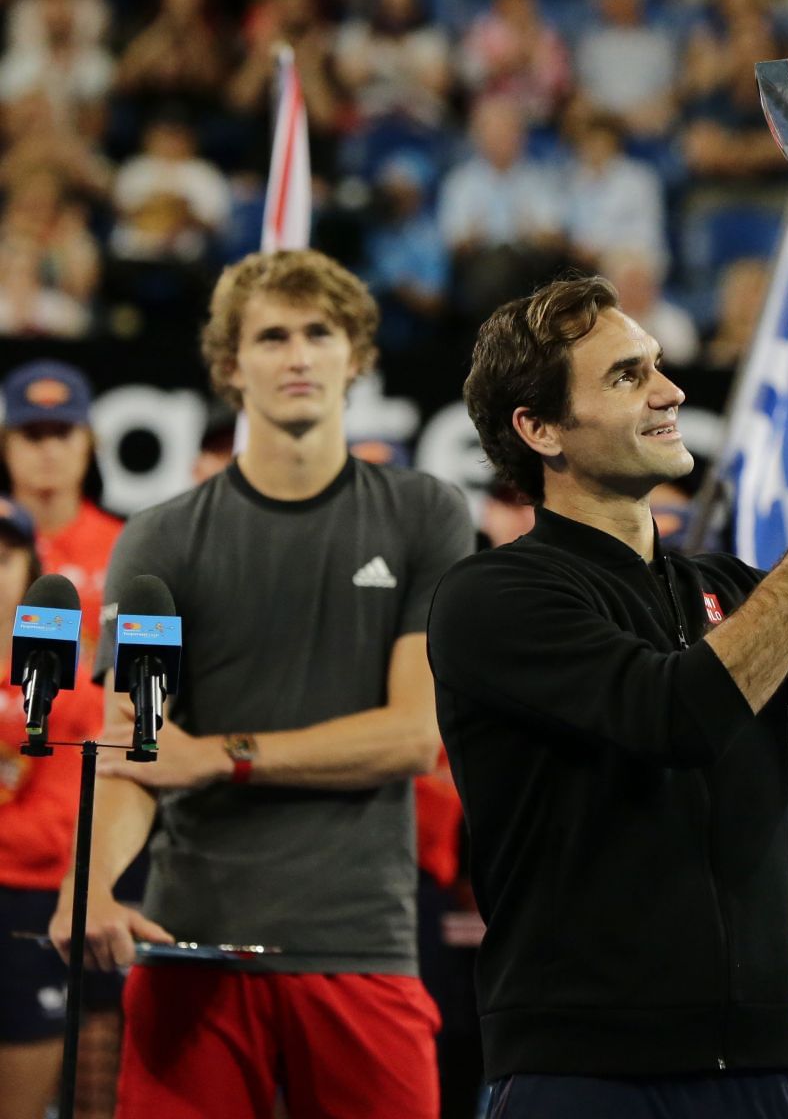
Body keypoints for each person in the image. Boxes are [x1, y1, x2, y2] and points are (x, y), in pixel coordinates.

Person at [427, 274, 788, 1118]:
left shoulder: (723, 588)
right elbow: (676, 715)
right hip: (581, 1077)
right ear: (539, 429)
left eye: (656, 364)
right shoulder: (492, 598)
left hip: (758, 1072)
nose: (670, 390)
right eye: (626, 376)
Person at [49, 248, 475, 1119]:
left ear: (355, 355)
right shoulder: (160, 540)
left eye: (320, 333)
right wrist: (87, 885)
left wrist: (216, 757)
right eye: (271, 336)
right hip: (190, 947)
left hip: (361, 943)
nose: (297, 355)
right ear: (229, 365)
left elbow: (410, 735)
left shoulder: (423, 513)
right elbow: (139, 748)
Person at [0, 497, 103, 1119]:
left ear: (29, 571)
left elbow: (53, 833)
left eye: (4, 554)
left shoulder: (69, 686)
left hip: (26, 913)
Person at [0, 360, 120, 663]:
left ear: (89, 443)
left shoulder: (123, 545)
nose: (49, 450)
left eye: (63, 433)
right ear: (5, 445)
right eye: (33, 434)